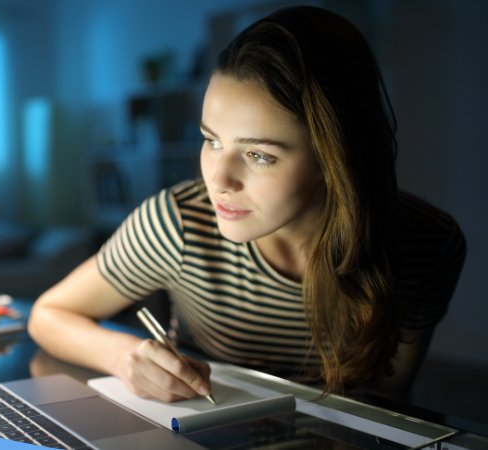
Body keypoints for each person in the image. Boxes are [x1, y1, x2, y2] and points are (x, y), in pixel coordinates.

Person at [27, 5, 466, 403]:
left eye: (259, 155)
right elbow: (47, 315)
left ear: (335, 157)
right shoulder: (177, 223)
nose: (218, 180)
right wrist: (125, 358)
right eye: (211, 140)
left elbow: (385, 404)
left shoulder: (426, 245)